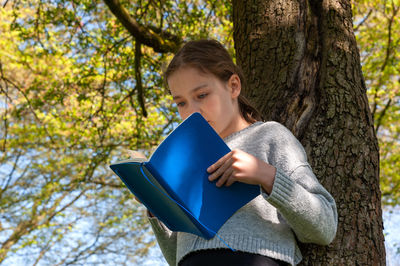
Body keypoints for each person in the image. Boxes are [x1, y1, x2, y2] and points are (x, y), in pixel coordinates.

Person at [145, 39, 338, 266]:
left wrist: (265, 175)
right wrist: (157, 211)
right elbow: (178, 256)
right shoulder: (184, 160)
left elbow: (325, 226)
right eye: (181, 103)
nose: (192, 112)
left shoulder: (269, 136)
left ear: (233, 86)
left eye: (202, 95)